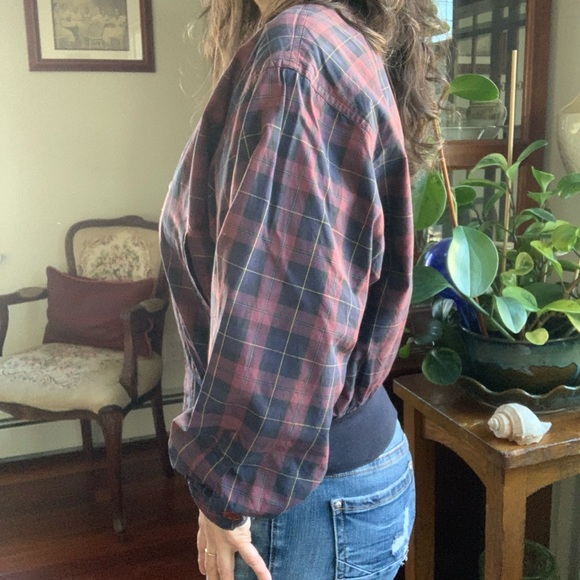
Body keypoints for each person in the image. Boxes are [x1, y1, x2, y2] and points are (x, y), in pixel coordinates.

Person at [160, 1, 446, 578]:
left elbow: (285, 321)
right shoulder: (327, 42)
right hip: (333, 479)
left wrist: (226, 495)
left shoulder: (297, 53)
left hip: (302, 499)